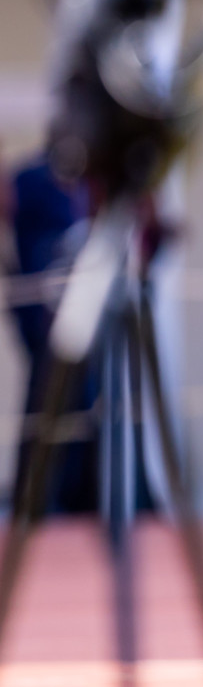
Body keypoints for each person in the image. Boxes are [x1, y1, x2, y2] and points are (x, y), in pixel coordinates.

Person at [7, 135, 96, 514]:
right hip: (40, 317)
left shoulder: (89, 182)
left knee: (84, 402)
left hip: (81, 316)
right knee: (43, 401)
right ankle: (34, 496)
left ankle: (76, 495)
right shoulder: (29, 180)